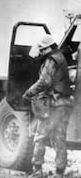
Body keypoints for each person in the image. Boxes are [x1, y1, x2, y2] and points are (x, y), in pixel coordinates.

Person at [22, 34, 73, 178]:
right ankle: (59, 172)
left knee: (40, 136)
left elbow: (44, 82)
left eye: (43, 49)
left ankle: (37, 170)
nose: (41, 52)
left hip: (54, 105)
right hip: (64, 104)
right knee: (59, 138)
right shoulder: (60, 57)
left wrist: (28, 93)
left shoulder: (52, 60)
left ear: (49, 48)